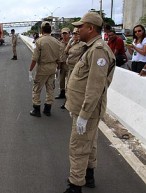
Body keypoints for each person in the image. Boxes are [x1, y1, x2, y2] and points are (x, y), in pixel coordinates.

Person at [64, 12, 116, 193]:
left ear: (91, 28)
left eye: (81, 26)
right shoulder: (91, 47)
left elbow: (95, 87)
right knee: (89, 144)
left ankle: (75, 185)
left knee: (78, 147)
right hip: (84, 108)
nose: (77, 30)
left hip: (87, 110)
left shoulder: (98, 50)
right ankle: (88, 176)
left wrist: (84, 115)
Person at [28, 21, 61, 117]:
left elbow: (35, 59)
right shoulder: (56, 41)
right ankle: (47, 109)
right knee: (50, 88)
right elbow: (59, 58)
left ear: (42, 30)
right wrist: (58, 69)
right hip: (53, 67)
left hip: (43, 68)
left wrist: (30, 70)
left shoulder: (39, 41)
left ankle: (36, 109)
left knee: (37, 88)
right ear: (50, 30)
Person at [56, 27, 70, 100]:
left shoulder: (72, 43)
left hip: (69, 65)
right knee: (61, 80)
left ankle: (68, 98)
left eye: (66, 34)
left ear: (69, 34)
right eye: (63, 34)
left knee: (68, 82)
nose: (64, 35)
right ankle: (62, 93)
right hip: (61, 64)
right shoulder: (59, 43)